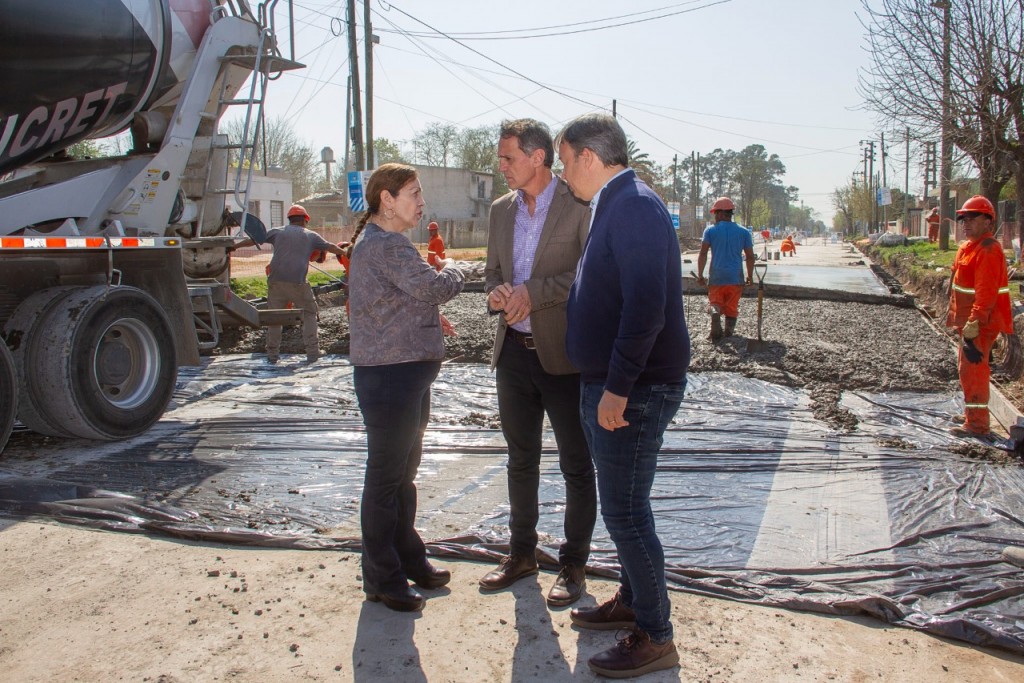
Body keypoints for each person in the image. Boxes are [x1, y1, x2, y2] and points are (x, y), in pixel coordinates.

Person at [558, 113, 690, 679]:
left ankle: (656, 635)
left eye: (565, 161)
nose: (563, 173)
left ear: (589, 156)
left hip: (634, 390)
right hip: (616, 384)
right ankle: (635, 599)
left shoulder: (633, 205)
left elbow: (645, 309)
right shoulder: (614, 202)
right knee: (627, 506)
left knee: (626, 514)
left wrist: (616, 387)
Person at [479, 118, 596, 607]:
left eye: (508, 158)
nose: (502, 167)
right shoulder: (500, 211)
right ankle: (521, 554)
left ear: (538, 157)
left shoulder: (579, 204)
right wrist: (497, 293)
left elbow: (588, 274)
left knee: (576, 465)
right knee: (520, 459)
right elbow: (491, 273)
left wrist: (534, 292)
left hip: (565, 357)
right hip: (513, 354)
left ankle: (573, 564)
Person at [347, 163, 465, 612]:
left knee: (402, 476)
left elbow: (391, 301)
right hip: (391, 377)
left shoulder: (379, 243)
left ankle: (408, 557)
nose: (421, 203)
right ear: (387, 199)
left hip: (401, 375)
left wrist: (427, 317)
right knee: (386, 479)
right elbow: (433, 287)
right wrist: (454, 269)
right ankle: (382, 577)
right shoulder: (387, 244)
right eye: (414, 193)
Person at [233, 204, 345, 363]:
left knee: (275, 318)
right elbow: (332, 247)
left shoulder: (277, 232)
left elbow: (254, 239)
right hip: (298, 283)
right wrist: (346, 252)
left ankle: (272, 355)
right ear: (306, 220)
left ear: (289, 220)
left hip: (276, 282)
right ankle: (313, 353)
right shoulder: (311, 235)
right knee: (309, 313)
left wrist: (234, 246)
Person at [945, 195, 1012, 438]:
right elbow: (957, 276)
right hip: (968, 321)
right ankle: (971, 415)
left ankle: (977, 425)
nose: (966, 223)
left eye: (973, 218)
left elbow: (986, 293)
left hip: (981, 323)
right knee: (966, 369)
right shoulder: (968, 248)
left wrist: (974, 322)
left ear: (988, 221)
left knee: (974, 370)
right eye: (964, 219)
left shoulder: (988, 250)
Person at [696, 197, 755, 341]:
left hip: (717, 276)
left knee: (715, 302)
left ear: (721, 213)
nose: (715, 216)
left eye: (716, 213)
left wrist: (700, 275)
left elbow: (703, 253)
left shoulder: (710, 231)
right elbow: (750, 256)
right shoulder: (744, 232)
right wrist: (750, 276)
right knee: (732, 306)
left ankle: (715, 312)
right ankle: (728, 333)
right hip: (735, 278)